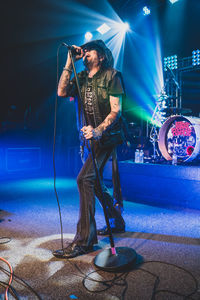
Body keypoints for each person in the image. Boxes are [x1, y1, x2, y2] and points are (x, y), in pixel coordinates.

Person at [54, 40, 125, 259]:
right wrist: (69, 60)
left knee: (84, 179)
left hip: (108, 136)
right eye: (83, 51)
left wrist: (99, 130)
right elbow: (61, 91)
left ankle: (85, 240)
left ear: (101, 56)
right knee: (93, 183)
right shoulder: (82, 77)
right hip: (91, 138)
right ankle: (116, 219)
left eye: (89, 50)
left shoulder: (112, 75)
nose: (84, 53)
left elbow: (116, 111)